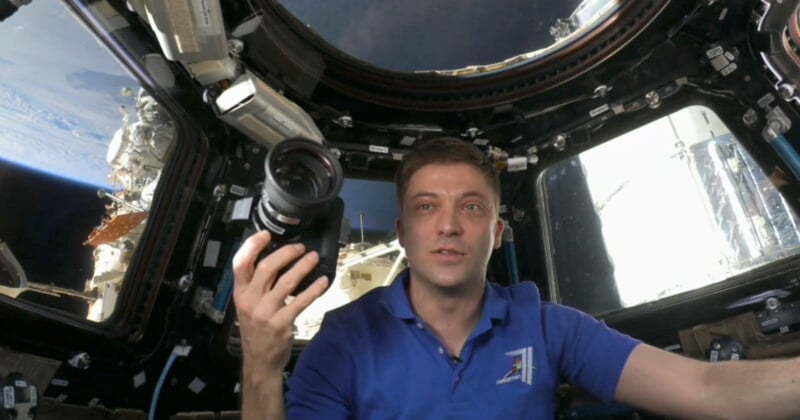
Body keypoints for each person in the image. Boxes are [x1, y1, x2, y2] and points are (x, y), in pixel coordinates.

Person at [233, 137, 800, 419]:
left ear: (498, 232)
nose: (450, 225)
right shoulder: (343, 342)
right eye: (428, 207)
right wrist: (261, 364)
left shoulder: (551, 329)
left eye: (473, 207)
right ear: (403, 232)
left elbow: (705, 391)